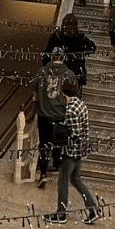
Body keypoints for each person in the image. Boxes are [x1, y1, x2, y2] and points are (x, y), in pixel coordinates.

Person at [45, 79, 100, 225]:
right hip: (81, 149)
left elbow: (72, 134)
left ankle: (61, 214)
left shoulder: (70, 109)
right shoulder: (81, 104)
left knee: (62, 180)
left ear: (63, 92)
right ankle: (93, 209)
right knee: (76, 179)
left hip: (71, 151)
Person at [33, 46, 78, 187]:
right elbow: (72, 97)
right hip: (61, 116)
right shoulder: (69, 74)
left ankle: (43, 173)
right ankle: (58, 166)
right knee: (60, 143)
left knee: (44, 144)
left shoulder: (42, 72)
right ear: (63, 58)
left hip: (44, 115)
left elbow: (34, 93)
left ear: (51, 57)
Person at [43, 13, 96, 87]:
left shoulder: (56, 37)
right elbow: (92, 48)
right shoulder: (81, 39)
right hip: (75, 73)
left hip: (57, 72)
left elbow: (46, 55)